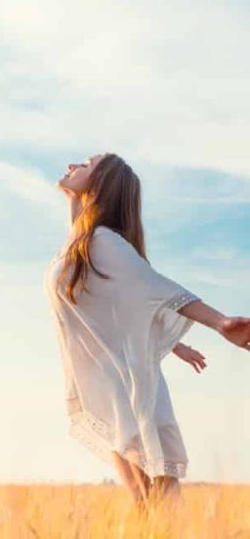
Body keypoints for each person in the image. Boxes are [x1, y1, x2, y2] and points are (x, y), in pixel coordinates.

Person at [43, 152, 250, 513]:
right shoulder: (82, 244)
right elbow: (115, 306)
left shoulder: (103, 242)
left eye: (87, 165)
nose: (73, 165)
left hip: (128, 389)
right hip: (110, 385)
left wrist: (219, 322)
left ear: (100, 184)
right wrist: (177, 345)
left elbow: (155, 288)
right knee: (146, 502)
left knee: (154, 498)